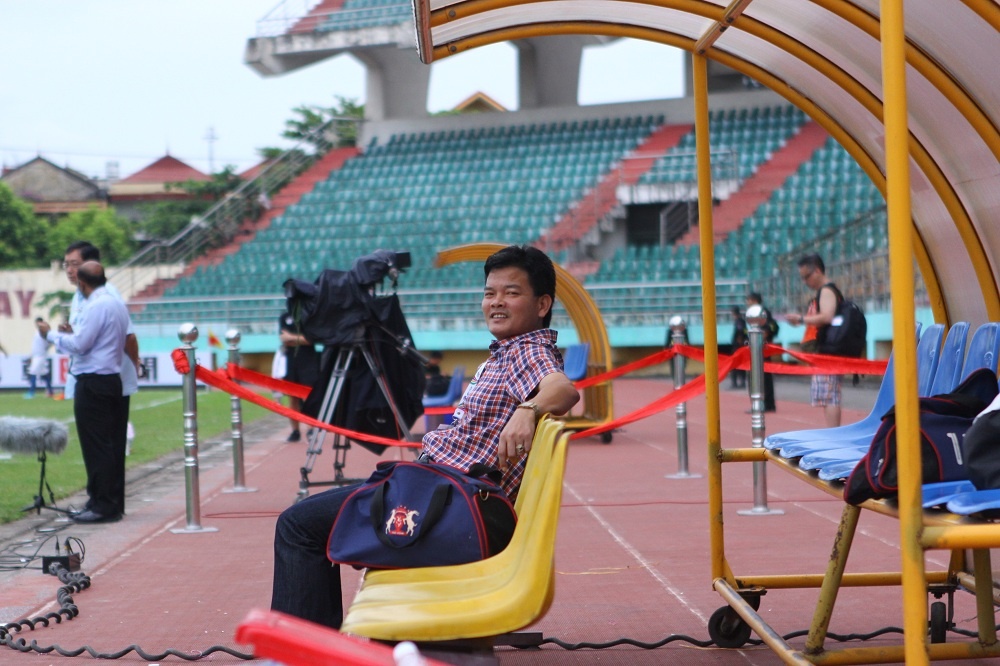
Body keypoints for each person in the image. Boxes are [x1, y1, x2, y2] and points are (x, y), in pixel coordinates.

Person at [270, 244, 580, 629]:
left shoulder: (527, 351)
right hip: (442, 494)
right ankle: (312, 648)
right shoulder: (506, 352)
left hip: (455, 506)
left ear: (542, 304)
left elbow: (562, 389)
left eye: (511, 293)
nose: (496, 302)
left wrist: (528, 410)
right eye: (489, 293)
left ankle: (301, 653)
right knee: (310, 519)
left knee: (298, 527)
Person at [38, 262, 131, 523]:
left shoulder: (94, 306)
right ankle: (103, 501)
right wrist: (74, 334)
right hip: (111, 378)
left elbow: (80, 345)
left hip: (93, 382)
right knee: (108, 445)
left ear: (81, 283)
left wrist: (52, 335)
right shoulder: (116, 304)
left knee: (96, 446)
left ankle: (103, 505)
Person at [61, 241, 142, 423]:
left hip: (105, 380)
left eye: (74, 264)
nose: (69, 270)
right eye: (66, 264)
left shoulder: (107, 295)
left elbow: (129, 335)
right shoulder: (79, 295)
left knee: (103, 438)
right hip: (90, 377)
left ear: (93, 265)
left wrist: (135, 364)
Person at [784, 254, 841, 427]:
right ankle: (832, 432)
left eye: (807, 276)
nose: (805, 282)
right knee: (827, 395)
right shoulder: (825, 291)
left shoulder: (827, 290)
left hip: (827, 350)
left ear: (817, 270)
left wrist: (801, 319)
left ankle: (833, 433)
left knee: (830, 395)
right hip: (824, 349)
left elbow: (827, 316)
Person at [278, 311, 320, 442]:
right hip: (291, 360)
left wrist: (292, 338)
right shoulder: (285, 317)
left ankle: (311, 428)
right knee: (292, 397)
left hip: (308, 360)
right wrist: (299, 339)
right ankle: (295, 431)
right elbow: (284, 339)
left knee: (307, 395)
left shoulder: (310, 315)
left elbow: (311, 339)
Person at [746, 292, 777, 412]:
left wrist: (762, 338)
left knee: (762, 377)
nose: (747, 303)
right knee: (757, 376)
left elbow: (772, 327)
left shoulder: (762, 312)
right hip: (755, 349)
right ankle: (762, 403)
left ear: (754, 300)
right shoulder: (752, 313)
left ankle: (766, 403)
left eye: (748, 300)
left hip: (762, 349)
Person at [26, 318, 55, 398]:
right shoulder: (38, 333)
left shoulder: (44, 333)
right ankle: (50, 391)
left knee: (33, 372)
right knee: (44, 374)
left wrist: (46, 348)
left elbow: (50, 342)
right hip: (36, 356)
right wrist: (31, 355)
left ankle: (31, 392)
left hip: (40, 356)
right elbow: (35, 346)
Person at [729, 306, 747, 389]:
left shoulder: (739, 321)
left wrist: (739, 342)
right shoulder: (740, 321)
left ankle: (737, 382)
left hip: (738, 346)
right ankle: (740, 382)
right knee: (739, 364)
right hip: (739, 345)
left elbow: (740, 331)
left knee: (736, 364)